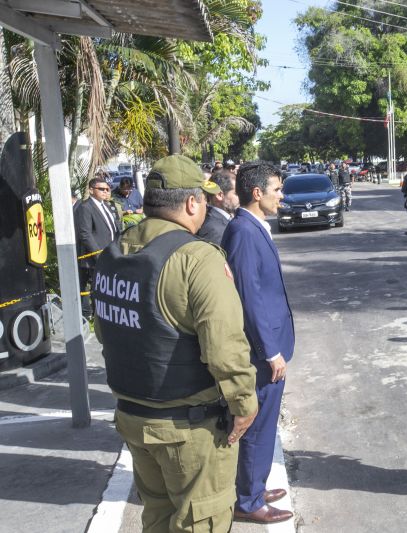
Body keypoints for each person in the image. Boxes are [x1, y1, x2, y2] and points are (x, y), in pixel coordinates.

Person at [93, 154, 258, 532]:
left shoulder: (114, 254)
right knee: (201, 521)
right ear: (191, 203)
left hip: (134, 416)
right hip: (188, 429)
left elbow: (107, 331)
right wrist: (245, 404)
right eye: (203, 199)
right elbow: (225, 346)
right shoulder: (195, 259)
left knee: (158, 516)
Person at [222, 161, 295, 524]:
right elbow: (248, 298)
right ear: (257, 193)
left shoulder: (255, 226)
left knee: (265, 425)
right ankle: (248, 501)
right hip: (261, 354)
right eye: (277, 189)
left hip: (269, 347)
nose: (281, 196)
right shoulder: (243, 232)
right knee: (257, 425)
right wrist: (270, 351)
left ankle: (255, 485)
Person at [75, 177, 121, 318]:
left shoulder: (105, 205)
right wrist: (98, 255)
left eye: (107, 189)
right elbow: (85, 234)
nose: (105, 192)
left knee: (108, 287)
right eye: (102, 189)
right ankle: (95, 316)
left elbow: (113, 229)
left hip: (112, 253)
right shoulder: (85, 207)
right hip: (95, 258)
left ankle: (106, 315)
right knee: (97, 288)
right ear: (91, 190)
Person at [198, 169, 239, 244]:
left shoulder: (224, 220)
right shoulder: (213, 229)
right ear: (219, 195)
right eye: (236, 194)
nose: (240, 197)